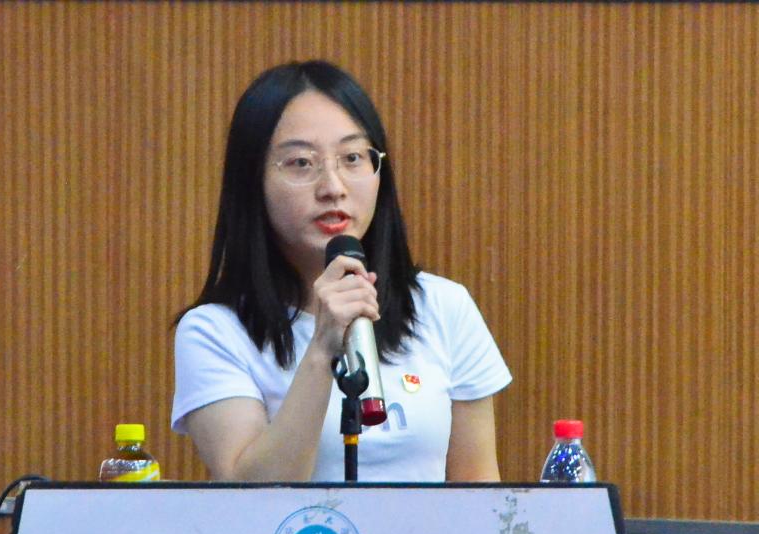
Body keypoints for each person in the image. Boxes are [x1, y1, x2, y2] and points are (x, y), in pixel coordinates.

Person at [171, 60, 511, 482]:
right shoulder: (214, 332)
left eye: (352, 157)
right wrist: (321, 350)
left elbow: (479, 493)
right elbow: (252, 497)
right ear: (251, 181)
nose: (333, 186)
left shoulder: (443, 306)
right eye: (301, 163)